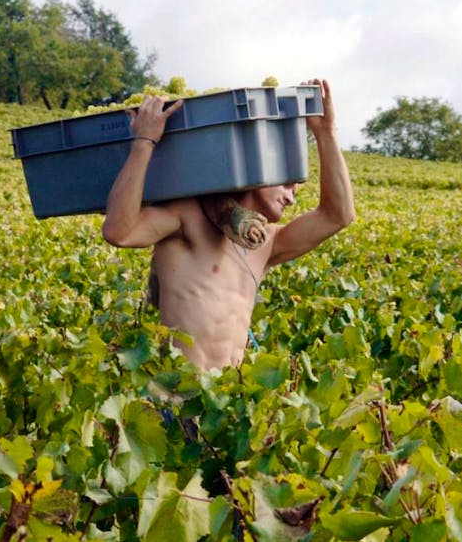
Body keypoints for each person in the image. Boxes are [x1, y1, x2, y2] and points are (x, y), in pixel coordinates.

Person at [102, 79, 355, 370]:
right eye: (287, 185)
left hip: (228, 404)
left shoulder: (267, 242)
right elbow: (119, 231)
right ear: (263, 169)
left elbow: (338, 216)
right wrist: (144, 142)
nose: (291, 198)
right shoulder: (187, 217)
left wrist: (326, 133)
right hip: (178, 401)